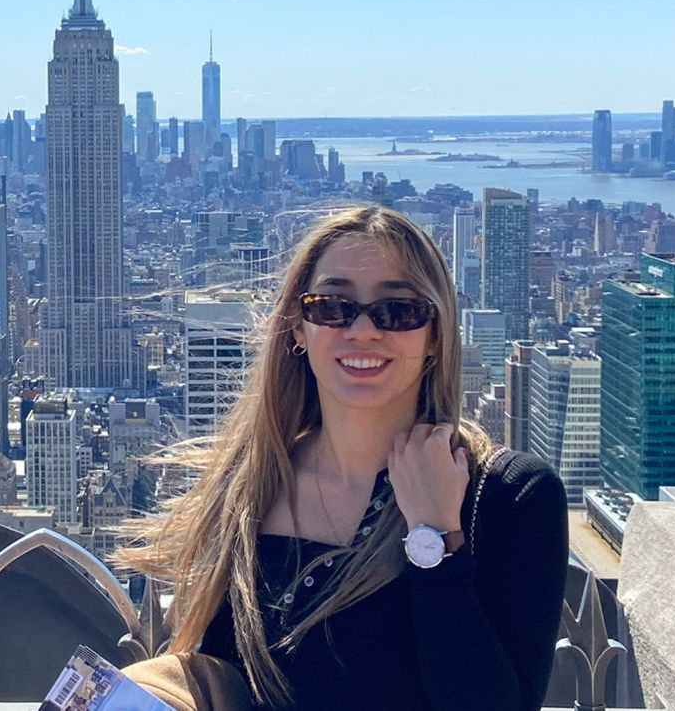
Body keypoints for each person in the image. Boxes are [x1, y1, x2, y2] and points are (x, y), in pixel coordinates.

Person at [117, 206, 568, 710]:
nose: (362, 329)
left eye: (397, 310)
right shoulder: (250, 484)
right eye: (332, 306)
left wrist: (435, 537)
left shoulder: (508, 497)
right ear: (297, 327)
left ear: (435, 333)